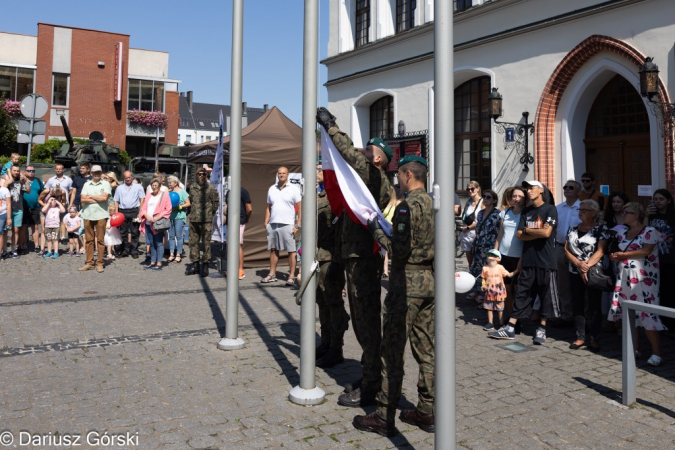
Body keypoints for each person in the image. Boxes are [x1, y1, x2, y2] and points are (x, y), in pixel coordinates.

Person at [317, 107, 392, 408]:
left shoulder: (376, 179)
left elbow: (353, 159)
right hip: (352, 258)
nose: (362, 151)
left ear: (377, 159)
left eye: (368, 150)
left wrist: (332, 129)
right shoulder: (358, 186)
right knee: (363, 324)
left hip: (364, 261)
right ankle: (370, 374)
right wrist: (337, 260)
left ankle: (375, 383)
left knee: (367, 324)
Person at [354, 155, 434, 436]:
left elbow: (398, 249)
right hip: (428, 282)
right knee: (426, 349)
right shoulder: (432, 204)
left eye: (399, 175)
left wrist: (376, 231)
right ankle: (426, 411)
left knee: (392, 351)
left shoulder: (407, 208)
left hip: (406, 284)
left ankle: (384, 415)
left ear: (409, 175)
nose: (398, 180)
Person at [488, 180, 559, 344]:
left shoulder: (550, 209)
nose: (528, 191)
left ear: (540, 190)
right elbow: (520, 234)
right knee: (521, 294)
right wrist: (534, 232)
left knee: (545, 296)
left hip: (546, 261)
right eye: (527, 188)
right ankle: (511, 327)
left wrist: (528, 230)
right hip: (528, 259)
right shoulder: (526, 212)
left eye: (531, 188)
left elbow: (547, 233)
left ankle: (542, 329)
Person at [608, 202, 666, 366]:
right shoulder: (622, 232)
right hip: (625, 277)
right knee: (630, 314)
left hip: (645, 280)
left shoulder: (649, 231)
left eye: (627, 212)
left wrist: (622, 255)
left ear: (636, 214)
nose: (623, 214)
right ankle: (635, 348)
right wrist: (615, 256)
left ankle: (656, 353)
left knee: (648, 314)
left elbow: (645, 251)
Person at [314, 166, 349, 368]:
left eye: (320, 168)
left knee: (334, 304)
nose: (317, 171)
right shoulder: (318, 195)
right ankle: (326, 342)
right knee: (322, 302)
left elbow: (340, 231)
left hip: (330, 259)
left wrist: (337, 259)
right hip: (317, 258)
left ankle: (337, 347)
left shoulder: (335, 196)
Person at [564, 199, 608, 352]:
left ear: (593, 213)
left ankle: (594, 338)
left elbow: (601, 251)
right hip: (574, 270)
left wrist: (586, 267)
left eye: (584, 210)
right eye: (580, 209)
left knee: (595, 305)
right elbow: (566, 249)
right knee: (578, 304)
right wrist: (578, 264)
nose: (580, 212)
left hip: (593, 272)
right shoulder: (573, 228)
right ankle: (580, 336)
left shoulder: (601, 228)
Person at [260, 166, 302, 285]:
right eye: (279, 173)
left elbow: (300, 208)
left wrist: (298, 224)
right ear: (277, 175)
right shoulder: (272, 189)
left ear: (287, 175)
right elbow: (268, 207)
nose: (281, 175)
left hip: (288, 224)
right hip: (273, 224)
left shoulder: (294, 189)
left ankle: (292, 276)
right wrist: (266, 222)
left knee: (291, 251)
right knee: (273, 249)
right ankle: (272, 274)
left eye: (283, 173)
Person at [494, 186, 526, 320]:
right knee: (506, 289)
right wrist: (495, 253)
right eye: (514, 196)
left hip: (519, 256)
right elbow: (500, 235)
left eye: (520, 196)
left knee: (518, 289)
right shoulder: (505, 213)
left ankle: (518, 319)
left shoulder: (526, 214)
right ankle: (510, 316)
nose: (516, 199)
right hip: (504, 255)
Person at [646, 189, 675, 329]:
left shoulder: (672, 216)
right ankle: (660, 322)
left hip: (670, 259)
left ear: (669, 200)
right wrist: (646, 215)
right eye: (655, 199)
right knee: (657, 291)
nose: (657, 201)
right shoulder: (651, 216)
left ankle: (670, 323)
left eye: (661, 199)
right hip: (653, 260)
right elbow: (643, 232)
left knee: (669, 291)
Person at [555, 180, 582, 324]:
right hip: (560, 248)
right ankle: (566, 315)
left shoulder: (582, 208)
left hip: (578, 251)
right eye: (565, 187)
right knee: (563, 284)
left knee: (578, 284)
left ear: (578, 192)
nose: (567, 189)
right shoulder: (558, 208)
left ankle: (581, 316)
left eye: (571, 187)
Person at [185, 168, 219, 277]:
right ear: (196, 175)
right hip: (194, 219)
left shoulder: (210, 188)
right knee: (193, 243)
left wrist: (210, 213)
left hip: (206, 220)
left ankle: (205, 265)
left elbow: (215, 203)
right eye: (199, 174)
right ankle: (195, 265)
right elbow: (190, 201)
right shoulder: (192, 188)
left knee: (206, 243)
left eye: (203, 174)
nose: (201, 176)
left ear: (206, 175)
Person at [468, 189, 501, 301]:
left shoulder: (497, 214)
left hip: (489, 247)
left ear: (494, 200)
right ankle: (476, 291)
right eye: (484, 197)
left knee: (487, 270)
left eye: (488, 197)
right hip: (478, 245)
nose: (485, 199)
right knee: (476, 268)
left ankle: (485, 293)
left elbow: (499, 232)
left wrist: (496, 249)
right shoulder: (480, 213)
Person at [78, 165, 111, 273]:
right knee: (89, 240)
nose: (97, 174)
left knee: (100, 240)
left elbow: (105, 198)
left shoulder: (106, 184)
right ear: (91, 173)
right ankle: (89, 263)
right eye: (95, 172)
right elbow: (82, 198)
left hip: (101, 215)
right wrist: (98, 199)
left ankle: (100, 262)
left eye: (99, 172)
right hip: (88, 214)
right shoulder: (87, 184)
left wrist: (90, 196)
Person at [140, 178, 172, 271]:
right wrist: (147, 217)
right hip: (148, 222)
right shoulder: (149, 196)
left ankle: (159, 262)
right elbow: (144, 208)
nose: (154, 187)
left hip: (158, 223)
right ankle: (152, 262)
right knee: (151, 243)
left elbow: (168, 209)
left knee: (158, 243)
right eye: (153, 186)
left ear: (159, 186)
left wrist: (156, 218)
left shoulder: (164, 195)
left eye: (156, 186)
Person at [481, 249, 516, 330]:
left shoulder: (500, 267)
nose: (489, 256)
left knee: (500, 309)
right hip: (489, 292)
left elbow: (508, 275)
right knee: (489, 308)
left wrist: (516, 270)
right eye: (489, 255)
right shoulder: (485, 268)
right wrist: (483, 285)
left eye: (492, 255)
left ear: (498, 259)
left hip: (499, 292)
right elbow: (483, 278)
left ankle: (501, 323)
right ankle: (490, 323)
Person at [114, 171, 145, 259]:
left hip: (134, 210)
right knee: (123, 232)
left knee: (135, 231)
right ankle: (126, 249)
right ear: (124, 178)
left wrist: (140, 212)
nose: (128, 179)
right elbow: (116, 200)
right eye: (126, 177)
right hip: (122, 211)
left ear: (132, 177)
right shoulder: (119, 188)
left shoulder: (138, 187)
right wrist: (116, 212)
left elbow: (142, 199)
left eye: (129, 177)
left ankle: (134, 249)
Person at [224, 185, 251, 279]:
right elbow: (227, 207)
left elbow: (249, 208)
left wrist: (245, 219)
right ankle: (231, 268)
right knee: (230, 245)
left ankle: (240, 270)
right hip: (229, 222)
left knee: (238, 245)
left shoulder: (243, 191)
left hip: (239, 222)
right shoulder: (228, 192)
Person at [6, 164, 32, 259]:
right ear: (11, 171)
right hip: (7, 209)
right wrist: (9, 179)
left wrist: (25, 182)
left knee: (16, 230)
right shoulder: (7, 180)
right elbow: (3, 188)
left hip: (18, 208)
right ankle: (4, 249)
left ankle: (14, 249)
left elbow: (28, 191)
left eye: (18, 171)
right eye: (14, 170)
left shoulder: (21, 181)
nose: (16, 172)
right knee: (4, 231)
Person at [44, 163, 73, 242]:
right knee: (54, 219)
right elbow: (46, 190)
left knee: (63, 220)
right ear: (55, 169)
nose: (58, 170)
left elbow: (71, 190)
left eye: (60, 169)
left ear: (63, 170)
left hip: (64, 202)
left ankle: (63, 237)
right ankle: (54, 236)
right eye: (57, 169)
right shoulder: (51, 179)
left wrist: (66, 197)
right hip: (53, 203)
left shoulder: (68, 179)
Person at [459, 180, 484, 267]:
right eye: (468, 189)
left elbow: (482, 220)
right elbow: (464, 216)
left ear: (478, 189)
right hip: (466, 235)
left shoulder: (483, 202)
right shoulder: (468, 202)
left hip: (476, 234)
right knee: (470, 263)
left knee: (478, 261)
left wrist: (469, 227)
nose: (470, 191)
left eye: (472, 189)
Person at [167, 175, 191, 264]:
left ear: (175, 183)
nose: (169, 184)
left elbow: (188, 203)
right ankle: (171, 253)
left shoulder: (182, 192)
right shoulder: (169, 192)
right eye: (168, 183)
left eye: (170, 182)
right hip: (171, 216)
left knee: (179, 236)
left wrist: (179, 207)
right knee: (171, 236)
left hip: (180, 216)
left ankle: (178, 254)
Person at [22, 165, 44, 254]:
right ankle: (23, 244)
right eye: (29, 170)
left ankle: (36, 245)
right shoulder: (21, 181)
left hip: (35, 207)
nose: (31, 172)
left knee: (34, 226)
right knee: (23, 227)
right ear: (25, 172)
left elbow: (43, 192)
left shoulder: (38, 181)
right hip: (23, 207)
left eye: (33, 170)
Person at [381, 186, 401, 278]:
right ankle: (385, 271)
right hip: (385, 228)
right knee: (385, 250)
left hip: (392, 228)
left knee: (391, 250)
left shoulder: (397, 203)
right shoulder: (385, 204)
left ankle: (390, 271)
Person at [0, 177, 10, 260]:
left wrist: (9, 218)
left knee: (1, 234)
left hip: (2, 214)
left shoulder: (5, 190)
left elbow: (8, 204)